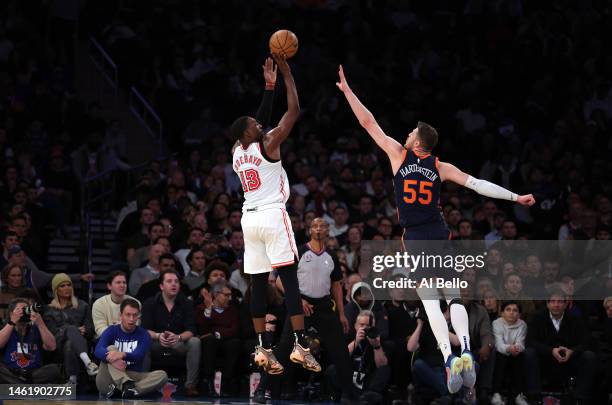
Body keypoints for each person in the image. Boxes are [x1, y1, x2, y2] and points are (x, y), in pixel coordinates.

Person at [336, 65, 535, 394]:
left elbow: (367, 122)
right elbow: (479, 185)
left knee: (430, 302)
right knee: (453, 295)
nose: (408, 133)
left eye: (412, 131)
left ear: (418, 141)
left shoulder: (398, 156)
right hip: (440, 234)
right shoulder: (440, 167)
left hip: (415, 239)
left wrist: (347, 92)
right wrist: (516, 196)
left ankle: (447, 359)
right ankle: (467, 350)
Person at [229, 55, 320, 374]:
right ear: (250, 133)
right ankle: (300, 345)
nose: (260, 123)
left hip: (248, 220)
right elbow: (292, 112)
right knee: (290, 282)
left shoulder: (237, 152)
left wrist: (269, 86)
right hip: (270, 215)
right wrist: (287, 75)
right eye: (255, 125)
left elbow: (256, 121)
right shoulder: (268, 143)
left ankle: (261, 350)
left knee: (256, 284)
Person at [273, 218, 353, 400]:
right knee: (285, 346)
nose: (318, 229)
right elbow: (279, 280)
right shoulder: (298, 252)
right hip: (301, 304)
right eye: (315, 226)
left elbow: (336, 286)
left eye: (322, 226)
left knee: (340, 349)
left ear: (327, 231)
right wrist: (298, 299)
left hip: (324, 305)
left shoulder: (331, 256)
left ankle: (348, 393)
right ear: (310, 230)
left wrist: (341, 314)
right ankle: (265, 388)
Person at [524, 289, 596, 404]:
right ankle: (534, 397)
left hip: (568, 360)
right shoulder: (537, 317)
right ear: (547, 304)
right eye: (552, 301)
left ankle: (581, 398)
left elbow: (586, 342)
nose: (556, 305)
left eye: (560, 302)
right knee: (529, 352)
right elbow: (530, 341)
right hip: (545, 359)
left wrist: (572, 351)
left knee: (589, 356)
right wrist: (551, 350)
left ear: (565, 304)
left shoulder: (575, 318)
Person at [141, 270, 201, 396]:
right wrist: (158, 336)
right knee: (143, 340)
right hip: (157, 342)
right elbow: (144, 329)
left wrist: (178, 337)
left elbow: (191, 329)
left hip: (178, 342)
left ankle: (190, 386)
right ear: (162, 286)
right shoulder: (150, 303)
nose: (174, 284)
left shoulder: (187, 303)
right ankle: (142, 384)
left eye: (176, 282)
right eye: (169, 281)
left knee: (195, 342)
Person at [95, 298, 168, 399]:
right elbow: (98, 350)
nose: (131, 319)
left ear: (138, 316)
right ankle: (128, 387)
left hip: (132, 375)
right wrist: (113, 359)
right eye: (128, 315)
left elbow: (139, 355)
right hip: (108, 379)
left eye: (135, 315)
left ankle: (129, 391)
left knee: (162, 375)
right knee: (111, 348)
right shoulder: (111, 330)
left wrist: (122, 354)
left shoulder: (144, 334)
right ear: (121, 316)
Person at [43, 273, 98, 383]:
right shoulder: (49, 310)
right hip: (57, 345)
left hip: (80, 344)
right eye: (62, 286)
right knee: (71, 329)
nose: (67, 288)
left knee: (70, 344)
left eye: (69, 285)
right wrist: (73, 330)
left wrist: (84, 330)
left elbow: (90, 329)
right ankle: (88, 363)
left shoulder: (82, 306)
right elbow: (52, 332)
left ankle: (72, 379)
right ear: (56, 290)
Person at [0, 298, 62, 383]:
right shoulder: (6, 328)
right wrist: (12, 321)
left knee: (54, 370)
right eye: (19, 310)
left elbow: (52, 347)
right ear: (11, 313)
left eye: (26, 309)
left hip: (33, 374)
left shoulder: (37, 329)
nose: (23, 313)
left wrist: (40, 323)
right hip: (11, 373)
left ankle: (20, 388)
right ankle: (24, 387)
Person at [195, 280, 241, 397]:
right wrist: (209, 308)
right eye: (226, 295)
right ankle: (210, 384)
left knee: (235, 342)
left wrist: (217, 334)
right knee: (209, 340)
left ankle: (226, 383)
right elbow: (203, 330)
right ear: (215, 295)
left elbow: (235, 330)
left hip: (226, 340)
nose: (230, 298)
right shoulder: (201, 308)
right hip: (209, 342)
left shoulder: (232, 310)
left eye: (230, 295)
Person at [491, 301, 528, 405]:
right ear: (502, 313)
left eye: (515, 310)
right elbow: (498, 344)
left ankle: (518, 395)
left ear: (519, 314)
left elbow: (521, 343)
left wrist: (516, 348)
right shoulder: (496, 323)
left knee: (520, 357)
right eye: (508, 309)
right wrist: (509, 348)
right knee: (500, 357)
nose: (511, 312)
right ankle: (496, 394)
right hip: (501, 352)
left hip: (515, 353)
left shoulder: (523, 325)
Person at [92, 271, 140, 339]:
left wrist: (119, 327)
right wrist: (118, 329)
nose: (122, 285)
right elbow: (100, 329)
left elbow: (137, 325)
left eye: (124, 282)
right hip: (106, 340)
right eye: (118, 282)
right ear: (109, 286)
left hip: (130, 339)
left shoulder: (135, 303)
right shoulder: (99, 304)